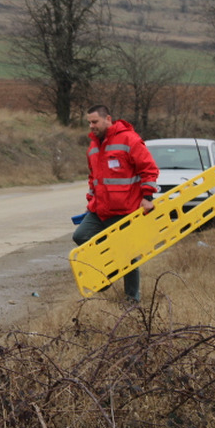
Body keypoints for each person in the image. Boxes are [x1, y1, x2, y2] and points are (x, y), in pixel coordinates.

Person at [72, 105, 160, 304]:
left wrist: (147, 197)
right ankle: (107, 274)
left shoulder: (129, 139)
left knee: (127, 254)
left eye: (94, 122)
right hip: (99, 210)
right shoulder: (93, 146)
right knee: (81, 236)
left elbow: (149, 169)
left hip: (124, 209)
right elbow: (94, 178)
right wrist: (91, 201)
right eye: (89, 122)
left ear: (108, 119)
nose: (91, 126)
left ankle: (132, 299)